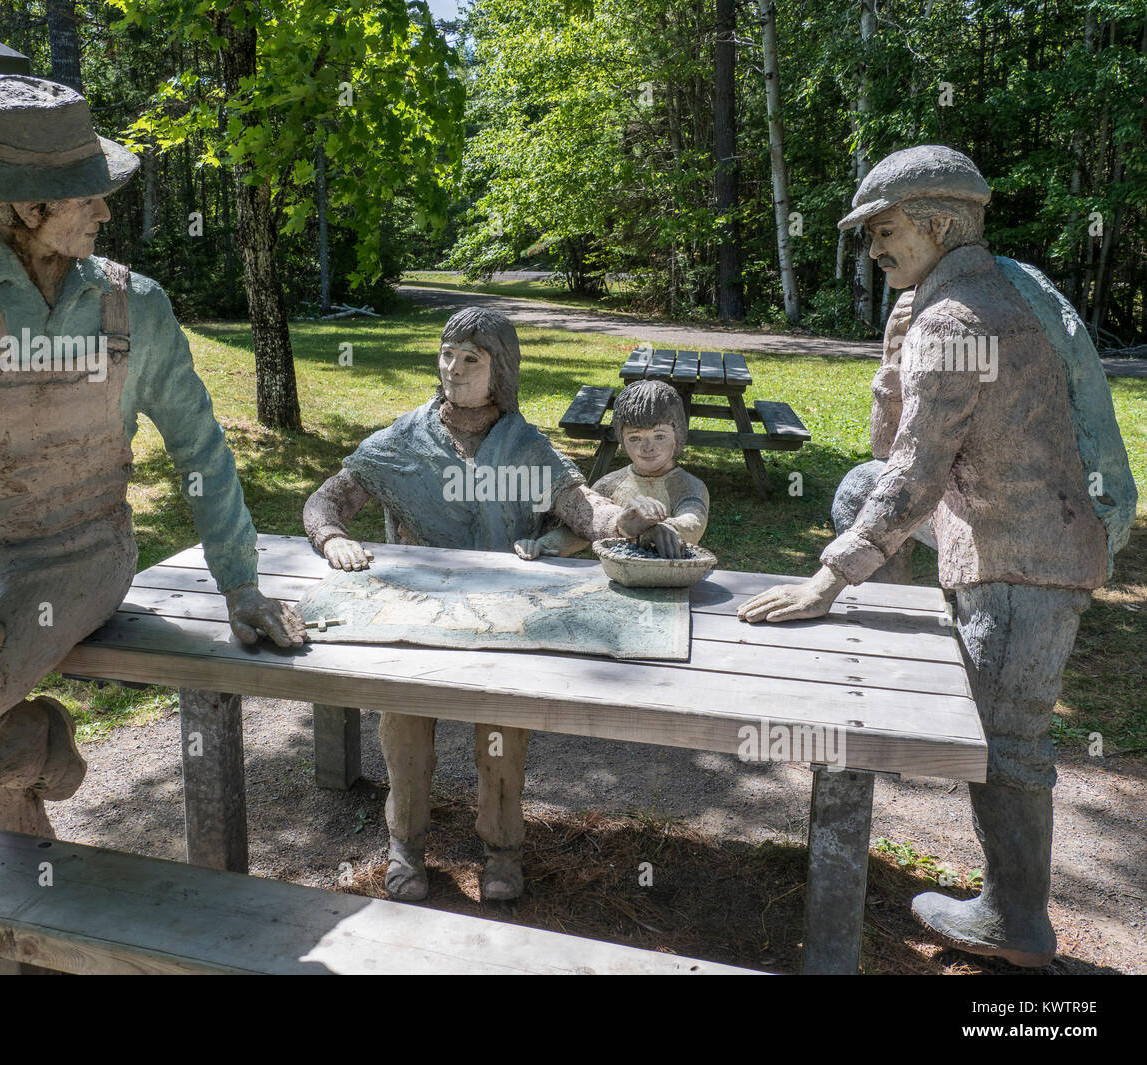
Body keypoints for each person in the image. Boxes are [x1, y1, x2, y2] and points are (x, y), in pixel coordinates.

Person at [0, 75, 306, 838]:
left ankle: (34, 880)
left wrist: (241, 583)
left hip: (88, 555)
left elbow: (199, 445)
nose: (104, 211)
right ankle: (36, 808)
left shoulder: (137, 306)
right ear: (28, 210)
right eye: (84, 197)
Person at [738, 144, 1137, 968]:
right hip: (996, 521)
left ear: (941, 223)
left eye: (885, 231)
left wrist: (827, 577)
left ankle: (1014, 921)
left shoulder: (957, 318)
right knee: (856, 486)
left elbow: (917, 475)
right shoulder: (965, 299)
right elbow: (890, 455)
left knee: (1009, 743)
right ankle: (893, 676)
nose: (874, 249)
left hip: (1025, 559)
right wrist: (893, 361)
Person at [303, 307, 666, 901]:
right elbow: (324, 503)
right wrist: (334, 537)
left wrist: (621, 518)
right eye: (447, 353)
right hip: (415, 618)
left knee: (500, 728)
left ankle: (502, 848)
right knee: (405, 722)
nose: (454, 368)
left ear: (500, 368)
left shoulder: (524, 447)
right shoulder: (403, 441)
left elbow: (583, 511)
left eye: (471, 358)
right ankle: (406, 845)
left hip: (506, 622)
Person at [518, 379, 709, 560]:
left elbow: (692, 523)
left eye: (659, 436)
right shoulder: (610, 484)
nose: (647, 447)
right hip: (614, 578)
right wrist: (544, 545)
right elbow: (584, 525)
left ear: (678, 434)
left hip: (670, 577)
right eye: (635, 438)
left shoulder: (687, 485)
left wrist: (658, 529)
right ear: (622, 439)